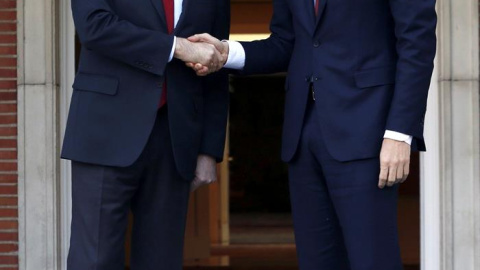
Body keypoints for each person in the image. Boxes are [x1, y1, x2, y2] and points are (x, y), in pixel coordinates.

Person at [188, 0, 437, 269]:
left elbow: (417, 41)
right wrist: (227, 53)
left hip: (368, 132)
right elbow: (285, 44)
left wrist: (400, 133)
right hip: (303, 135)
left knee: (372, 260)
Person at [61, 0, 229, 269]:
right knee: (95, 260)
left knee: (161, 260)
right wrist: (179, 48)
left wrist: (208, 150)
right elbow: (94, 26)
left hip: (176, 137)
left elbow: (217, 65)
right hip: (106, 129)